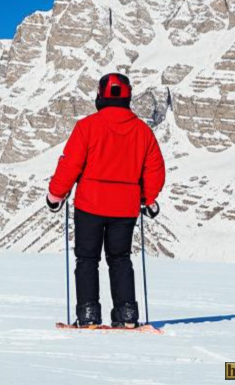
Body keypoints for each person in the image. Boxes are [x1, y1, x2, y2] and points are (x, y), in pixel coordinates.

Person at [46, 72, 165, 328]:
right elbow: (154, 168)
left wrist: (55, 195)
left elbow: (70, 165)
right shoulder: (143, 132)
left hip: (90, 205)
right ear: (128, 97)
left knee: (87, 259)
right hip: (125, 208)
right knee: (120, 258)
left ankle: (88, 315)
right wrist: (148, 198)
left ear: (100, 96)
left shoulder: (87, 127)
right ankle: (127, 316)